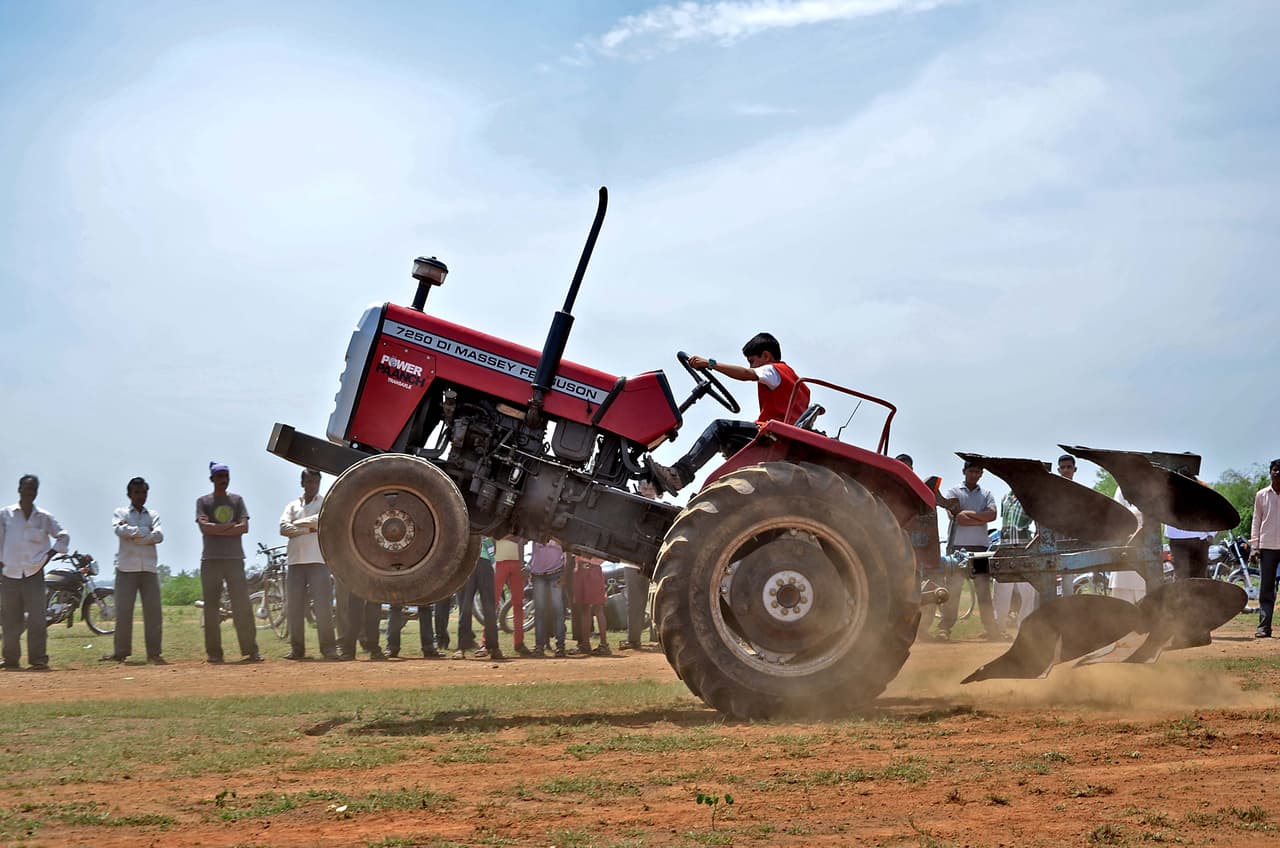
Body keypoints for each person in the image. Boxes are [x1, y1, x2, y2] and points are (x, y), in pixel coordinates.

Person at [648, 332, 810, 494]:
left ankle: (679, 475)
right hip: (783, 439)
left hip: (771, 435)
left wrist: (710, 363)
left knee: (720, 428)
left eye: (752, 362)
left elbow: (747, 374)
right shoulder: (800, 384)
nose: (751, 367)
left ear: (766, 356)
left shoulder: (773, 370)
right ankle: (712, 493)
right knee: (729, 440)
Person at [0, 474, 69, 671]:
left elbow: (63, 536)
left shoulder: (44, 518)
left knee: (37, 619)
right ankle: (11, 659)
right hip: (9, 573)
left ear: (36, 492)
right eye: (26, 488)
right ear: (19, 489)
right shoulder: (5, 515)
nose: (29, 492)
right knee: (10, 619)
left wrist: (49, 555)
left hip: (34, 574)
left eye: (33, 489)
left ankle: (38, 660)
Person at [196, 462, 262, 664]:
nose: (223, 480)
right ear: (212, 479)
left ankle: (250, 650)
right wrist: (228, 526)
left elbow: (244, 528)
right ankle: (214, 653)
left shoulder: (237, 500)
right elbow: (205, 529)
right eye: (220, 476)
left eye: (226, 476)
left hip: (234, 559)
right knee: (212, 608)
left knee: (242, 605)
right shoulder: (203, 501)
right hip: (211, 560)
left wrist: (217, 527)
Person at [934, 460, 1001, 641]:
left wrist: (967, 515)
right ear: (964, 471)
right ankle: (945, 629)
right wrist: (980, 518)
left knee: (983, 591)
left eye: (978, 472)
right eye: (971, 471)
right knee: (953, 590)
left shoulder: (986, 494)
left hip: (980, 549)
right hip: (958, 549)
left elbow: (992, 515)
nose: (974, 474)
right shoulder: (954, 492)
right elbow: (954, 516)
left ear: (981, 474)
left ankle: (991, 630)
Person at [103, 477, 166, 664]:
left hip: (149, 569)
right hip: (126, 568)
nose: (141, 496)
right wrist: (145, 533)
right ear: (129, 494)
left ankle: (154, 653)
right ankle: (121, 652)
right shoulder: (120, 512)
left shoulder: (153, 514)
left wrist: (135, 534)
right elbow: (119, 531)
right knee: (123, 612)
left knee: (153, 613)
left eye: (144, 492)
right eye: (137, 493)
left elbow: (160, 535)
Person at [279, 469, 338, 660]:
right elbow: (283, 528)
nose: (313, 485)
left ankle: (328, 649)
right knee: (294, 608)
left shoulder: (324, 503)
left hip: (318, 561)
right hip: (295, 562)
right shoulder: (292, 505)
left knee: (323, 608)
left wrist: (297, 525)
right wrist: (308, 529)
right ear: (302, 483)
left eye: (316, 481)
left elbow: (322, 521)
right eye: (309, 481)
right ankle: (297, 650)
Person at [455, 536, 500, 659]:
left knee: (489, 607)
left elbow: (493, 538)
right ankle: (462, 647)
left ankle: (493, 647)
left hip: (484, 561)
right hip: (466, 562)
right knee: (465, 607)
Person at [1250, 459, 1280, 639]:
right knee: (1266, 590)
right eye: (1275, 470)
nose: (1277, 473)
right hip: (1267, 548)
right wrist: (1255, 547)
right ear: (1270, 472)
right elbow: (1256, 520)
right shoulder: (1261, 495)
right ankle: (1264, 628)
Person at [528, 538, 567, 657]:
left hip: (556, 572)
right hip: (538, 574)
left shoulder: (559, 534)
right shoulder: (536, 533)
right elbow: (533, 551)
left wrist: (565, 573)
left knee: (558, 610)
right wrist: (530, 568)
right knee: (539, 611)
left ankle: (560, 645)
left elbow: (567, 553)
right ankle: (539, 646)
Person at [494, 535, 531, 656]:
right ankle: (487, 642)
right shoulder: (500, 520)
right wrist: (514, 536)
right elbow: (496, 536)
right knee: (493, 603)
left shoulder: (519, 520)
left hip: (517, 563)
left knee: (518, 604)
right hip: (500, 561)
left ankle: (519, 643)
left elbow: (524, 539)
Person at [573, 555, 610, 656]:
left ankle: (604, 644)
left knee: (598, 607)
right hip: (580, 569)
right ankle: (585, 644)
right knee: (585, 608)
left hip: (593, 569)